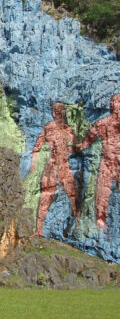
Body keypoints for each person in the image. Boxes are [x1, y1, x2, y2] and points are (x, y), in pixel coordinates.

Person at [29, 102, 80, 236]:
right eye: (57, 111)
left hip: (63, 166)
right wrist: (33, 165)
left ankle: (79, 225)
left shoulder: (67, 130)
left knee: (72, 195)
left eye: (60, 111)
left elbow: (74, 149)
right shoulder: (50, 128)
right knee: (46, 196)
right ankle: (39, 229)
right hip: (53, 166)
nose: (58, 113)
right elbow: (37, 147)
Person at [77, 93, 120, 229]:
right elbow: (90, 137)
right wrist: (80, 146)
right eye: (115, 106)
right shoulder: (103, 123)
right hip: (107, 162)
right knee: (102, 191)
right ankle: (100, 218)